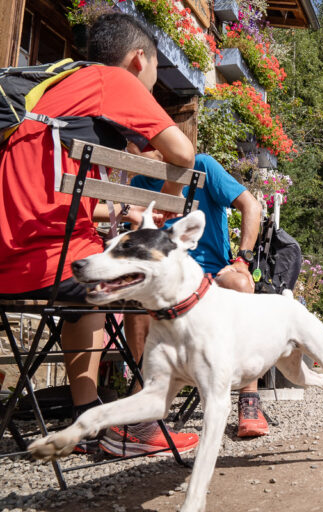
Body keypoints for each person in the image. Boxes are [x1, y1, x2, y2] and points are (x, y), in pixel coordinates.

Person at [0, 13, 199, 455]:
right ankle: (139, 420)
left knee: (90, 291)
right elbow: (184, 153)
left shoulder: (58, 92)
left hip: (11, 261)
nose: (152, 89)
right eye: (154, 75)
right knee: (155, 282)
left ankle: (87, 420)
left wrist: (124, 210)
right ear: (138, 59)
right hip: (53, 258)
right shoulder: (113, 80)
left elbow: (56, 196)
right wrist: (166, 210)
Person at [131, 154, 270, 437]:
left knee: (241, 284)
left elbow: (252, 206)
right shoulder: (139, 181)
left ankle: (249, 398)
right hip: (167, 280)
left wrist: (242, 260)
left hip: (212, 274)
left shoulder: (203, 165)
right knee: (137, 300)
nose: (137, 148)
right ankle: (142, 403)